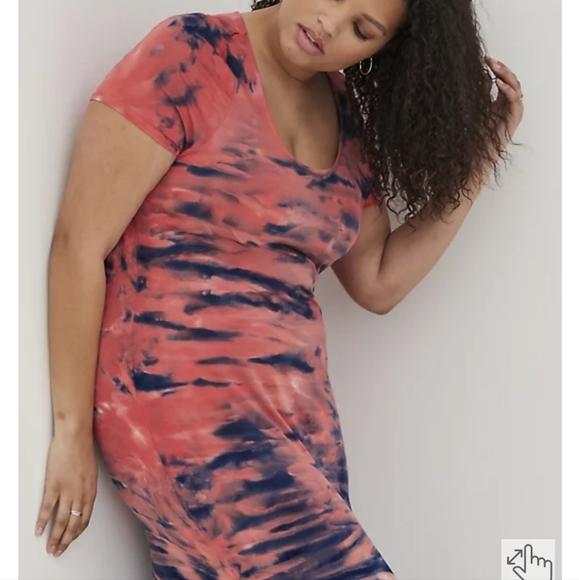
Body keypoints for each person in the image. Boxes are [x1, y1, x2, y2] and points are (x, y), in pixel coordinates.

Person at [35, 0, 524, 578]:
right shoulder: (191, 55)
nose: (329, 25)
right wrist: (72, 432)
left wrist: (481, 154)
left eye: (362, 30)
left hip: (299, 430)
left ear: (385, 51)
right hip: (191, 417)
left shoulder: (344, 119)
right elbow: (78, 244)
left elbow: (378, 280)